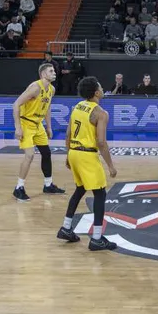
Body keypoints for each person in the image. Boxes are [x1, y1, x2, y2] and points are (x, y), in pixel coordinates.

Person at [56, 77, 118, 251]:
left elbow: (68, 134)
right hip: (86, 155)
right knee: (100, 194)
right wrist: (111, 166)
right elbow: (101, 142)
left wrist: (68, 155)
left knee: (80, 188)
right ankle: (97, 238)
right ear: (96, 92)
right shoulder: (101, 113)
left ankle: (66, 227)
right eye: (100, 86)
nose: (102, 88)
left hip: (74, 152)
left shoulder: (77, 107)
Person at [11, 63, 66, 201]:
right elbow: (16, 104)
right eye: (51, 71)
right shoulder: (35, 87)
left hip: (38, 124)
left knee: (46, 153)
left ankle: (48, 185)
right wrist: (18, 127)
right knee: (29, 155)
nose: (54, 73)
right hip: (26, 123)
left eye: (54, 71)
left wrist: (49, 127)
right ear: (43, 74)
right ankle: (18, 188)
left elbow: (47, 107)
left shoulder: (52, 89)